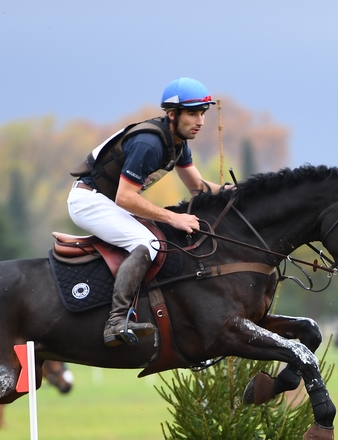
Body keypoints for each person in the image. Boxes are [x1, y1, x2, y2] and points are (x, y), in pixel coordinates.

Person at [68, 77, 234, 346]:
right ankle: (116, 320)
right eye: (192, 114)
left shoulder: (178, 143)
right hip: (89, 201)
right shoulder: (150, 143)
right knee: (149, 242)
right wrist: (174, 217)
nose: (200, 122)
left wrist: (234, 192)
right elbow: (125, 197)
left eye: (202, 114)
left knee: (160, 238)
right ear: (172, 114)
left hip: (108, 201)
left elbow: (198, 187)